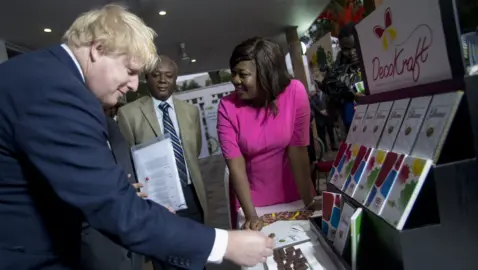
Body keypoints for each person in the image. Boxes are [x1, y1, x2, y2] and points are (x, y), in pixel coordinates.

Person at [0, 4, 273, 270]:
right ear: (97, 49)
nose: (133, 85)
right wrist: (225, 244)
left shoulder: (45, 73)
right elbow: (113, 207)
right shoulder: (56, 91)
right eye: (130, 71)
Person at [217, 37, 321, 231]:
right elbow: (236, 166)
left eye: (243, 74)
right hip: (252, 202)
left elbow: (298, 153)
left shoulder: (295, 92)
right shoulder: (227, 107)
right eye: (233, 73)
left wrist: (309, 201)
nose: (235, 80)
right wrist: (251, 215)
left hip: (295, 193)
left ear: (266, 75)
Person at [117, 55, 210, 270]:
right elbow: (128, 161)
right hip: (157, 201)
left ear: (175, 79)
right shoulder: (128, 114)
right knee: (167, 260)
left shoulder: (190, 112)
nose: (162, 80)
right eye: (156, 75)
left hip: (191, 195)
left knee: (197, 255)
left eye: (169, 76)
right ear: (146, 78)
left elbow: (193, 151)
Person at [80, 102, 145, 270]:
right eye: (129, 73)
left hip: (131, 244)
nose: (133, 86)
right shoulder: (64, 129)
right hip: (97, 248)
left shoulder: (112, 126)